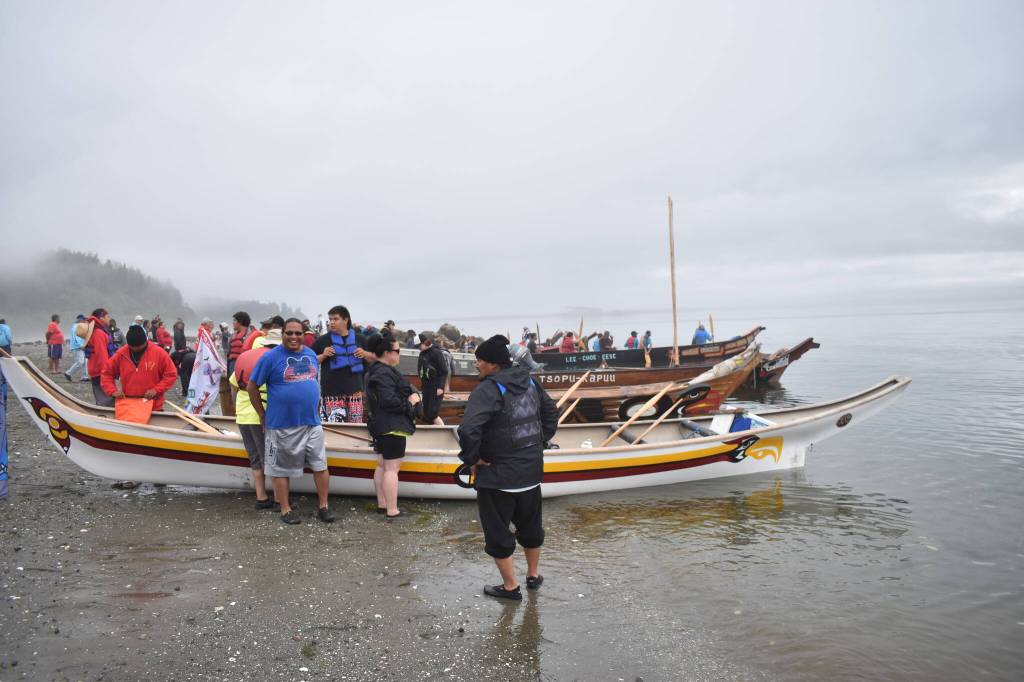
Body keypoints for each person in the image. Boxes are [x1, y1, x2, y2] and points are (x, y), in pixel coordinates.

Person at [457, 335, 559, 601]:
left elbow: (468, 429)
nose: (476, 365)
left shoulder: (487, 390)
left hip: (498, 476)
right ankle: (533, 576)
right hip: (531, 471)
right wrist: (541, 442)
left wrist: (473, 458)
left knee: (498, 532)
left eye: (479, 360)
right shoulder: (530, 382)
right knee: (531, 526)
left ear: (493, 365)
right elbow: (551, 412)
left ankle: (511, 587)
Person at [247, 318, 335, 525]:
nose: (294, 337)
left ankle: (324, 506)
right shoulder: (270, 358)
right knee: (280, 469)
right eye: (289, 333)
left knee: (320, 465)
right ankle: (285, 509)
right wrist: (262, 414)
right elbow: (252, 387)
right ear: (283, 334)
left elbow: (313, 382)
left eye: (298, 333)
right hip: (281, 424)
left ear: (304, 334)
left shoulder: (311, 354)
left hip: (311, 423)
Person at [364, 333, 420, 518]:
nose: (399, 354)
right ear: (387, 352)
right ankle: (392, 509)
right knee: (391, 468)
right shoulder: (384, 373)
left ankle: (382, 504)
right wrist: (411, 402)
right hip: (392, 425)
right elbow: (389, 400)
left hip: (379, 424)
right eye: (397, 351)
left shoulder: (374, 371)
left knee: (382, 465)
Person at [230, 328, 281, 510]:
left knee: (255, 457)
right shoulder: (273, 361)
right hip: (263, 415)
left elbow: (234, 384)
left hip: (243, 415)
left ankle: (261, 497)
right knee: (271, 457)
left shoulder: (246, 358)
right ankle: (278, 499)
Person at [100, 325, 178, 412]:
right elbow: (106, 373)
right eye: (132, 346)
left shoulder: (159, 353)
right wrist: (112, 391)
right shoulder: (121, 354)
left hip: (153, 406)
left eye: (139, 346)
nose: (136, 348)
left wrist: (156, 390)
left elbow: (171, 374)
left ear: (146, 341)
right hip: (129, 405)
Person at [312, 305, 367, 424]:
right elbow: (309, 361)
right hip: (331, 393)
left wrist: (365, 354)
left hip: (355, 392)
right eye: (330, 319)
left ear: (345, 320)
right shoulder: (322, 340)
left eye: (335, 319)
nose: (331, 322)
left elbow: (372, 361)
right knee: (334, 427)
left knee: (355, 428)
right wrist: (323, 355)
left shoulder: (361, 339)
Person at [84, 308, 117, 407]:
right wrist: (107, 371)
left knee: (102, 396)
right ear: (101, 318)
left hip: (96, 370)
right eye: (107, 316)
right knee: (106, 399)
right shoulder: (99, 333)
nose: (109, 318)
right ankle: (106, 418)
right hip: (100, 371)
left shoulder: (96, 331)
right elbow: (101, 355)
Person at [417, 332, 448, 426]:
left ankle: (443, 430)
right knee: (426, 413)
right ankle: (435, 430)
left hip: (435, 387)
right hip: (426, 386)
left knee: (432, 413)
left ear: (425, 343)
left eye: (419, 345)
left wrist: (440, 387)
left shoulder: (436, 352)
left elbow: (444, 371)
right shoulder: (422, 353)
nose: (419, 348)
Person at [227, 311, 253, 376]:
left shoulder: (250, 335)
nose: (233, 323)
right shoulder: (233, 335)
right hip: (232, 363)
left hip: (243, 364)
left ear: (240, 322)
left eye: (235, 320)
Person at [64, 314, 89, 382]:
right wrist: (81, 345)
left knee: (85, 362)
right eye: (83, 319)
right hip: (78, 346)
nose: (84, 321)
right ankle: (68, 373)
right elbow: (77, 337)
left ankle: (85, 376)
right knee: (80, 362)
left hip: (80, 346)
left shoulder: (78, 326)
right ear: (79, 319)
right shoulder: (76, 326)